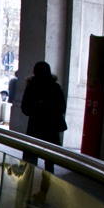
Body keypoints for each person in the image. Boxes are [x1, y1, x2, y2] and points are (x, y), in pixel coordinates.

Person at [20, 61, 67, 200]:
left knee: (32, 161)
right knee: (47, 164)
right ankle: (42, 192)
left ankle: (29, 191)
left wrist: (39, 106)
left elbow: (25, 108)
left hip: (36, 129)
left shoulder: (32, 87)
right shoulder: (54, 87)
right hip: (49, 130)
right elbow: (62, 108)